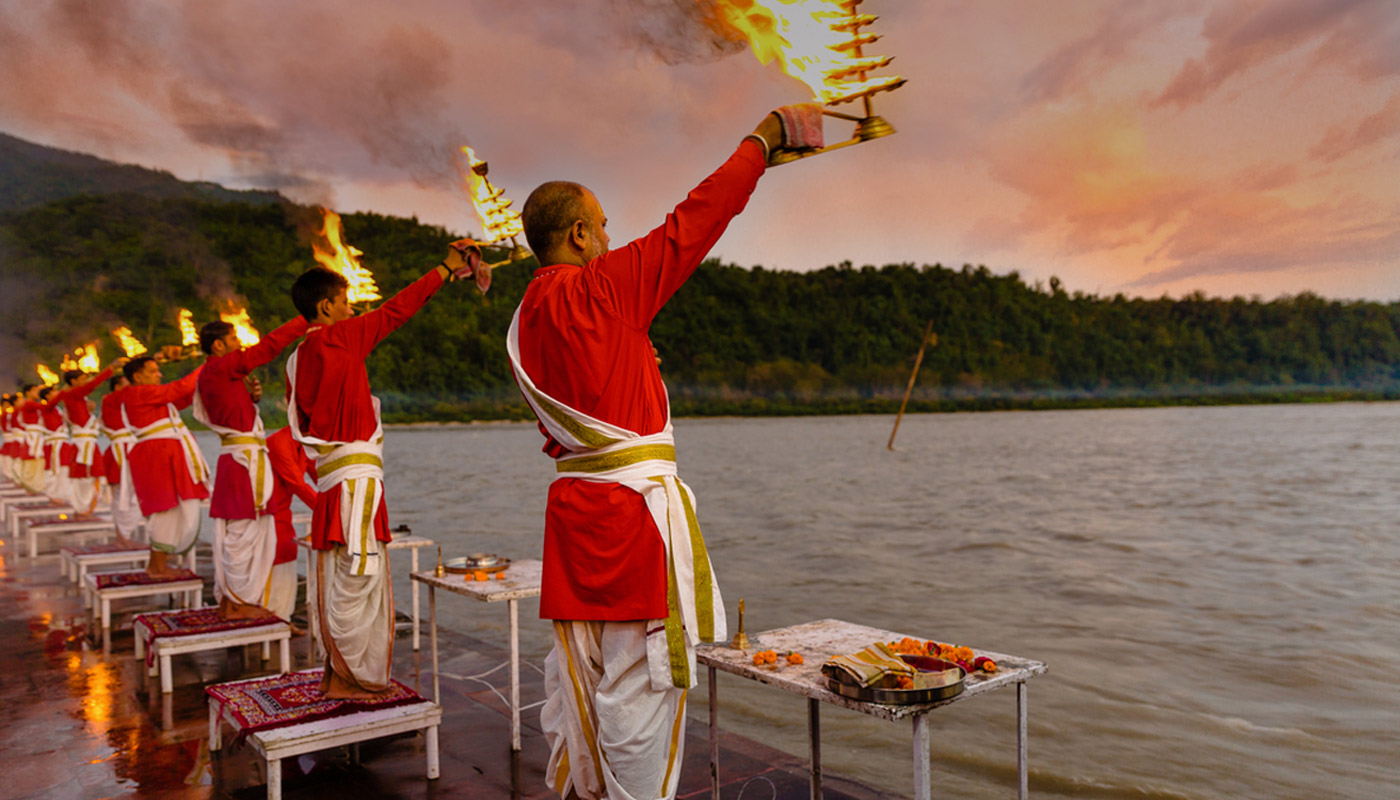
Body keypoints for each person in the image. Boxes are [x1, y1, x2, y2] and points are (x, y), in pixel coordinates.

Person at [508, 108, 807, 800]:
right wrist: (760, 141)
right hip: (631, 528)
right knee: (641, 697)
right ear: (579, 234)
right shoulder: (604, 287)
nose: (612, 237)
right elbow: (698, 218)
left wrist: (636, 356)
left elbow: (590, 395)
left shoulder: (525, 318)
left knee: (587, 684)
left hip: (571, 524)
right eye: (603, 225)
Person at [286, 245, 488, 699]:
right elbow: (398, 309)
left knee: (342, 577)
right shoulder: (338, 338)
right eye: (344, 302)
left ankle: (338, 671)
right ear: (326, 308)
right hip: (355, 485)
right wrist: (443, 268)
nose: (351, 308)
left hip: (335, 483)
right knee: (360, 577)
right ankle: (351, 679)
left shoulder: (297, 358)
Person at [194, 315, 308, 620]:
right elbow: (268, 347)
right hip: (242, 464)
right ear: (218, 345)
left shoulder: (215, 372)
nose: (239, 345)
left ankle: (235, 600)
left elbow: (233, 412)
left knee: (242, 533)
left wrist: (249, 397)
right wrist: (305, 320)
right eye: (233, 340)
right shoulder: (219, 366)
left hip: (238, 461)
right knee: (242, 534)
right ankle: (236, 602)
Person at [122, 355, 210, 576]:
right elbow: (178, 389)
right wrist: (210, 364)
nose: (159, 374)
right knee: (164, 508)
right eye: (153, 371)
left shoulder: (150, 396)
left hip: (161, 454)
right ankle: (157, 567)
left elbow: (182, 397)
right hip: (156, 455)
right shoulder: (139, 392)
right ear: (137, 376)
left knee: (169, 507)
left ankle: (158, 564)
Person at [264, 425, 319, 624]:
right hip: (265, 513)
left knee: (289, 554)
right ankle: (268, 620)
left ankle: (283, 619)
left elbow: (320, 476)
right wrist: (325, 510)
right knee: (275, 557)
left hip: (283, 512)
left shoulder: (306, 444)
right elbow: (296, 483)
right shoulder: (279, 442)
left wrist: (342, 501)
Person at [57, 362, 124, 515]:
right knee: (81, 477)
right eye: (82, 379)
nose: (86, 382)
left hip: (89, 444)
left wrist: (90, 410)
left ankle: (88, 508)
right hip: (82, 445)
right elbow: (90, 386)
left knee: (94, 475)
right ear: (73, 382)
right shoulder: (73, 394)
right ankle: (82, 508)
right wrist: (110, 369)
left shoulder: (81, 399)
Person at [99, 372, 144, 543]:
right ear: (117, 387)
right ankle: (122, 536)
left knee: (135, 493)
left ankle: (125, 534)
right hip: (120, 453)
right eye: (127, 383)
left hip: (131, 450)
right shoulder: (111, 400)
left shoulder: (124, 402)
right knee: (121, 494)